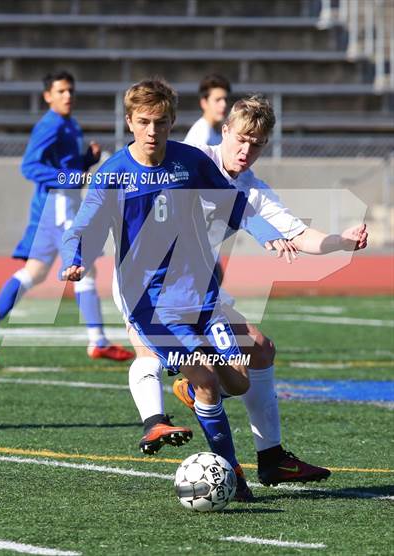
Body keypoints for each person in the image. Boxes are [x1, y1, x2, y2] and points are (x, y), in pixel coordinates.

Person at [60, 78, 290, 502]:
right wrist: (73, 258)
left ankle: (218, 438)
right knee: (203, 376)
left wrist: (265, 232)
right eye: (144, 122)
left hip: (200, 295)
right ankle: (233, 477)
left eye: (161, 122)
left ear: (171, 123)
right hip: (151, 305)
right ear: (129, 121)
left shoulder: (190, 162)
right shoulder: (113, 174)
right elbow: (83, 225)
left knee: (237, 381)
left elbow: (232, 203)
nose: (152, 131)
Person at [124, 94, 368, 492]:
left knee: (258, 349)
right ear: (225, 131)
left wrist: (342, 241)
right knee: (148, 349)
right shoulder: (190, 158)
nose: (246, 150)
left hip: (199, 290)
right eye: (240, 139)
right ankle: (155, 423)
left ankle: (271, 458)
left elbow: (299, 234)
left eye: (256, 144)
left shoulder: (253, 190)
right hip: (146, 281)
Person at [0, 70, 134, 364]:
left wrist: (87, 160)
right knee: (84, 266)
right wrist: (70, 175)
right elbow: (29, 167)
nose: (67, 96)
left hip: (58, 207)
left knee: (34, 272)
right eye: (60, 91)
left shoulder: (69, 123)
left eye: (70, 90)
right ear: (48, 96)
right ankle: (97, 340)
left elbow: (67, 167)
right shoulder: (50, 125)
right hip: (59, 205)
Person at [184, 74, 231, 146]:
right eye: (217, 100)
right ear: (204, 103)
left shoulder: (221, 131)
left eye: (226, 99)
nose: (224, 104)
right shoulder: (200, 135)